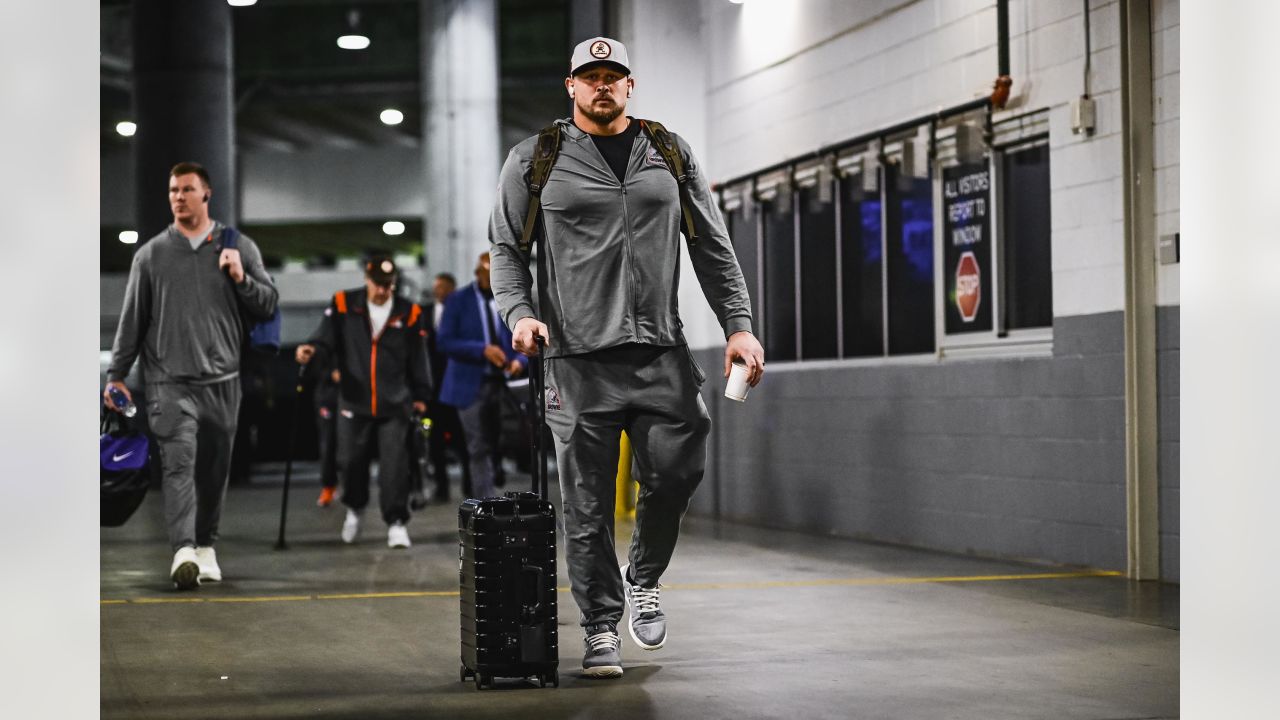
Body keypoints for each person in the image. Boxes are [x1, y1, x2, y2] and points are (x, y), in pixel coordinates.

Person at [488, 37, 765, 678]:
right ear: (572, 86)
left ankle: (644, 575)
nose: (602, 86)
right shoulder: (536, 159)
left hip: (660, 354)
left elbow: (713, 248)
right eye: (591, 77)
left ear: (630, 86)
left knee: (676, 473)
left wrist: (740, 327)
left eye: (613, 76)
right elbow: (506, 248)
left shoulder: (667, 152)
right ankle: (600, 628)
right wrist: (520, 314)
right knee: (585, 508)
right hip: (576, 360)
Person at [104, 161, 279, 590]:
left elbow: (269, 304)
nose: (178, 197)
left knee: (214, 470)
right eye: (172, 191)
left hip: (223, 381)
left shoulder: (240, 248)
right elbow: (133, 320)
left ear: (206, 194)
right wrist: (117, 375)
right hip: (169, 382)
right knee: (178, 465)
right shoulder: (151, 255)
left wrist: (240, 278)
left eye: (186, 189)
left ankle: (205, 545)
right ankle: (182, 549)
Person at [295, 256, 432, 548]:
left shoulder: (409, 311)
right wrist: (312, 351)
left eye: (389, 285)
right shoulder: (344, 304)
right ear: (367, 280)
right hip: (353, 403)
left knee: (395, 467)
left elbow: (419, 356)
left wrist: (422, 395)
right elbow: (324, 339)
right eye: (379, 284)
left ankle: (396, 523)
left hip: (395, 404)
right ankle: (355, 509)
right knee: (350, 462)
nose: (383, 290)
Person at [437, 253, 528, 501]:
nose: (490, 280)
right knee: (477, 446)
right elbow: (444, 341)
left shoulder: (509, 300)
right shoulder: (458, 301)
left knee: (505, 441)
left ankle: (493, 478)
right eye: (486, 275)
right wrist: (482, 350)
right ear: (477, 274)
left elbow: (523, 336)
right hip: (469, 385)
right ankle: (485, 502)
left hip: (503, 384)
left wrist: (519, 360)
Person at [420, 272, 472, 502]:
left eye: (441, 287)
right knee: (435, 442)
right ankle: (441, 488)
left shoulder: (464, 312)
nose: (437, 291)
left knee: (464, 441)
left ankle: (470, 486)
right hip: (433, 390)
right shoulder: (425, 314)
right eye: (435, 287)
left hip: (458, 386)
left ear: (451, 289)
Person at [312, 362, 341, 507]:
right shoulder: (324, 341)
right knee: (328, 444)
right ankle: (328, 487)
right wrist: (330, 372)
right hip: (328, 399)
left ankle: (354, 488)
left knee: (353, 445)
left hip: (353, 398)